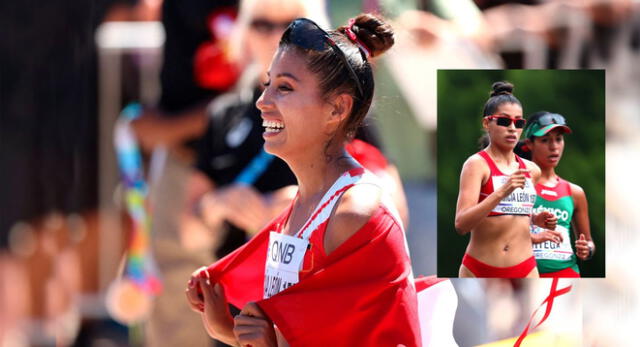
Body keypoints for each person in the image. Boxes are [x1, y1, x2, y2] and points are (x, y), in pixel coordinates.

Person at [186, 14, 421, 345]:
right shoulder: (307, 207)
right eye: (268, 83)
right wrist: (232, 331)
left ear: (338, 109)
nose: (262, 101)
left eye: (284, 87)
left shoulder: (354, 213)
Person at [454, 81, 557, 278]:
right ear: (486, 123)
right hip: (480, 269)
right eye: (504, 121)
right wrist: (502, 191)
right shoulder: (476, 165)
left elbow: (513, 218)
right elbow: (461, 224)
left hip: (525, 267)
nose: (512, 128)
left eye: (518, 123)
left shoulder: (532, 170)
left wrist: (536, 219)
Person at [519, 112, 595, 277]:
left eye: (559, 139)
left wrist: (586, 249)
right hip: (526, 275)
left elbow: (588, 242)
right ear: (529, 144)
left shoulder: (575, 192)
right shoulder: (517, 184)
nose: (554, 147)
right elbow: (501, 235)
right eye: (545, 140)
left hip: (567, 274)